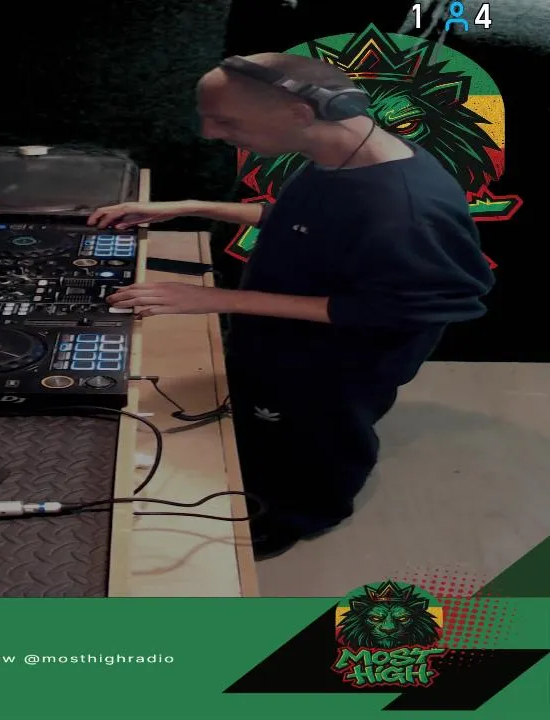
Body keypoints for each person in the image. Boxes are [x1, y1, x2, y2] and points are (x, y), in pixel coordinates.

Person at [90, 53, 495, 560]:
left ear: (300, 113)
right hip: (281, 343)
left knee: (320, 441)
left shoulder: (406, 209)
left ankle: (302, 514)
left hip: (334, 367)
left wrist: (215, 299)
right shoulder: (344, 154)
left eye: (225, 122)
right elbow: (306, 220)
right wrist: (188, 207)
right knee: (269, 423)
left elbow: (401, 309)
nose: (210, 134)